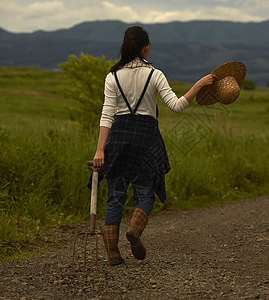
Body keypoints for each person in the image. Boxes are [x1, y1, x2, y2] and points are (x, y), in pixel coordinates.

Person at [93, 26, 216, 266]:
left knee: (116, 195)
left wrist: (100, 150)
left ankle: (113, 254)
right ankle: (135, 230)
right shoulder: (155, 74)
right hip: (146, 140)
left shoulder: (112, 76)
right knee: (146, 191)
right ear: (145, 48)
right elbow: (177, 105)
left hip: (118, 139)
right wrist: (199, 84)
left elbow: (107, 115)